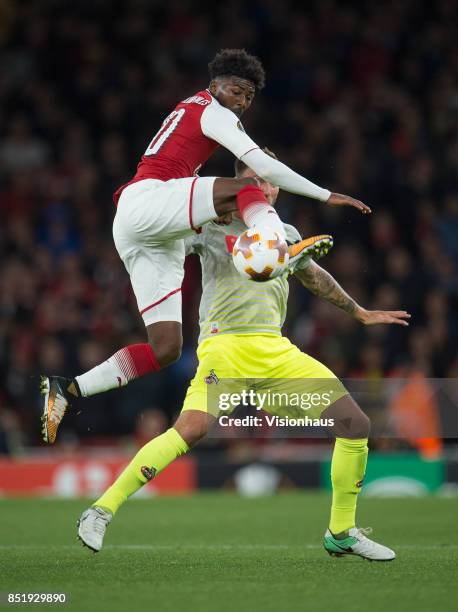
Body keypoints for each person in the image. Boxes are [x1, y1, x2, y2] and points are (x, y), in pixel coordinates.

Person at [77, 150, 410, 560]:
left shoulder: (282, 231)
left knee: (354, 424)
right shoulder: (207, 225)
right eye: (256, 180)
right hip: (225, 347)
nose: (265, 188)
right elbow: (159, 237)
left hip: (275, 351)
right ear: (239, 186)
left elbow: (312, 275)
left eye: (270, 181)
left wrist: (358, 312)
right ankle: (100, 511)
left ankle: (341, 531)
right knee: (191, 430)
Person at [40, 48, 370, 444]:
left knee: (166, 348)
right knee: (247, 188)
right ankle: (277, 242)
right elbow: (261, 168)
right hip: (147, 198)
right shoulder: (209, 109)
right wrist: (325, 194)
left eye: (248, 96)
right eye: (237, 90)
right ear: (215, 85)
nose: (242, 102)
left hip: (146, 232)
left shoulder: (202, 117)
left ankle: (67, 388)